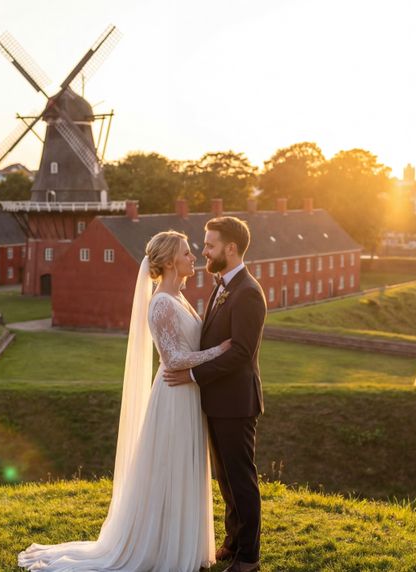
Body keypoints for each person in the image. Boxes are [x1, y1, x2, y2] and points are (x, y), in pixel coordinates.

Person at [17, 230, 230, 571]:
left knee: (183, 469)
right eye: (187, 253)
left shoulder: (179, 298)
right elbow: (173, 358)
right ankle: (162, 547)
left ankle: (182, 543)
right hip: (174, 397)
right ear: (171, 262)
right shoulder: (160, 302)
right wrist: (219, 352)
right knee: (169, 469)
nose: (193, 258)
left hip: (188, 394)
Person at [164, 216, 266, 572]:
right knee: (225, 479)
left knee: (241, 479)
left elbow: (240, 353)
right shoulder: (222, 285)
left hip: (237, 402)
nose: (203, 250)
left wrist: (191, 373)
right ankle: (233, 541)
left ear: (231, 248)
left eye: (210, 245)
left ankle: (249, 556)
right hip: (218, 400)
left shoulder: (248, 293)